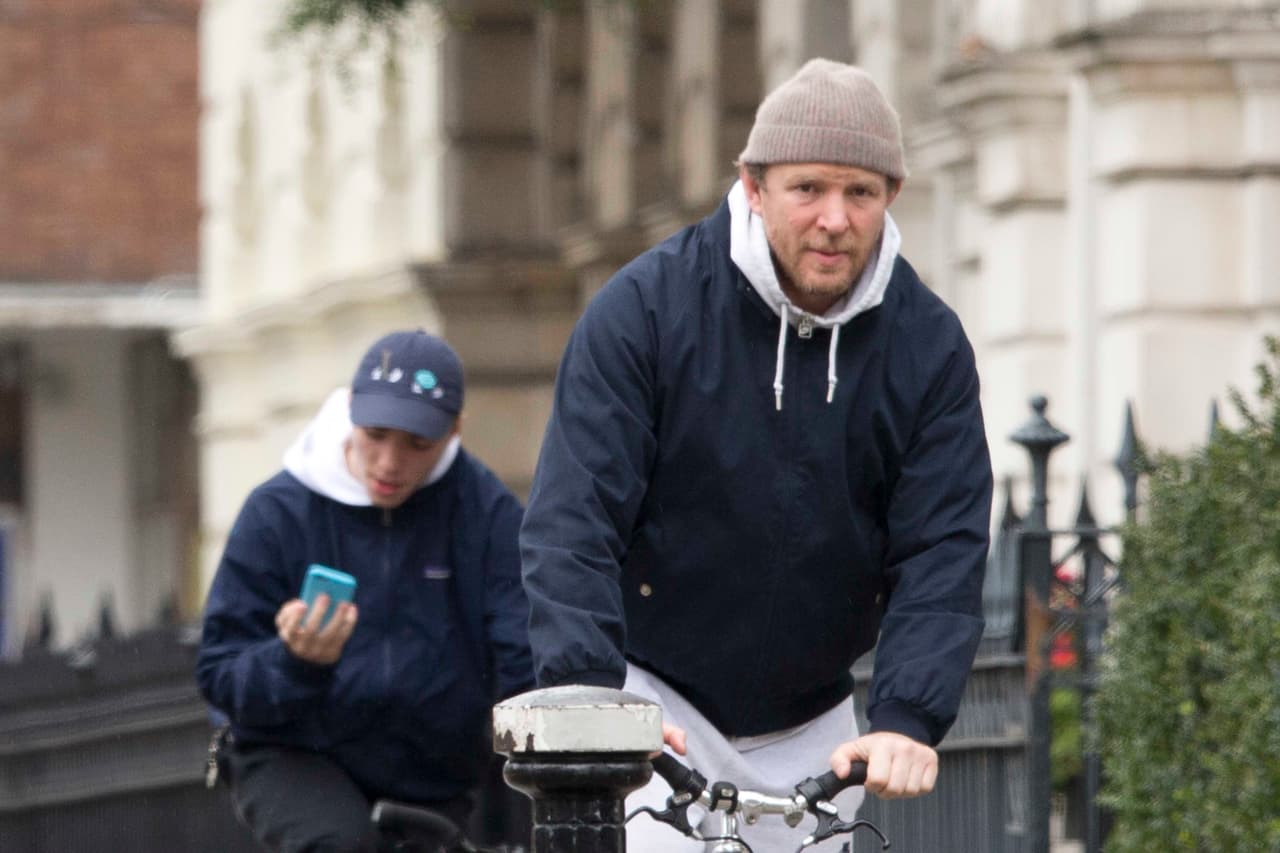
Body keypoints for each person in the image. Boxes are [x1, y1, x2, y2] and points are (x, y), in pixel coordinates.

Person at [520, 58, 993, 850]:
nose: (835, 218)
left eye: (861, 192)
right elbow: (574, 520)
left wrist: (908, 715)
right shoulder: (644, 311)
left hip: (814, 726)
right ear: (753, 185)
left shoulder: (929, 346)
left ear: (892, 195)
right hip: (650, 698)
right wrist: (594, 703)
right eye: (808, 188)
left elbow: (942, 545)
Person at [197, 329, 534, 852]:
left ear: (454, 431)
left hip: (434, 772)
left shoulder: (487, 514)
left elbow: (525, 663)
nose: (390, 462)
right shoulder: (277, 512)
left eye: (417, 443)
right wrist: (296, 662)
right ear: (350, 410)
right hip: (293, 751)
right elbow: (220, 674)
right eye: (375, 434)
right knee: (342, 844)